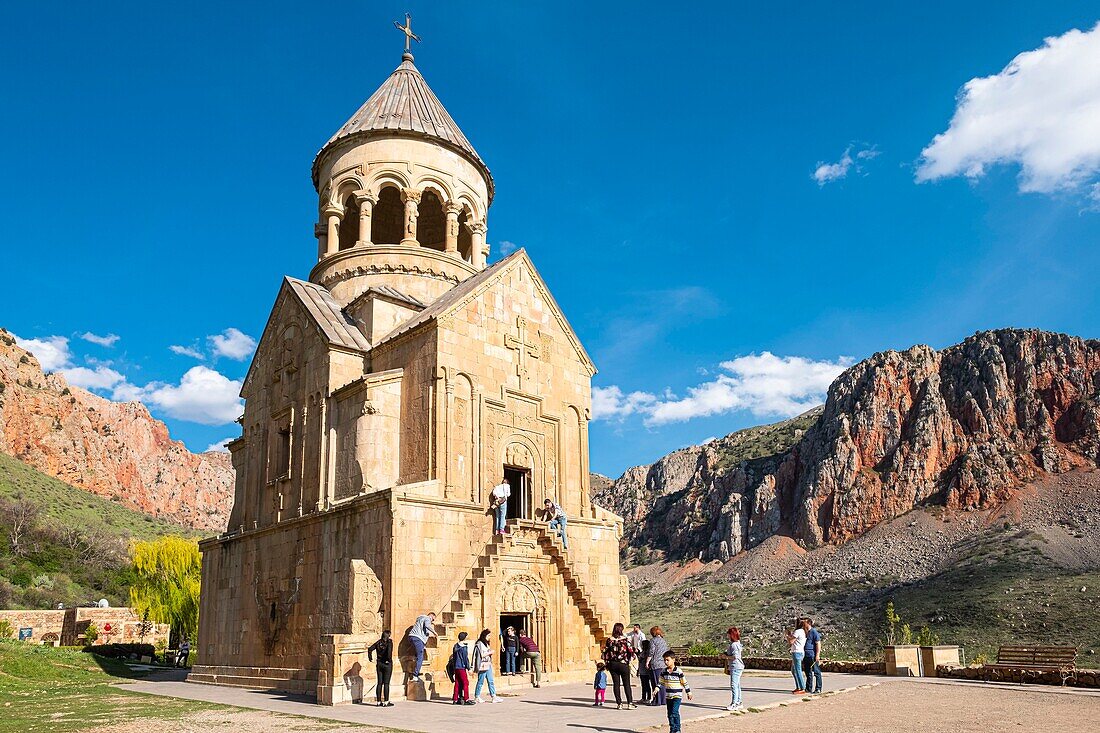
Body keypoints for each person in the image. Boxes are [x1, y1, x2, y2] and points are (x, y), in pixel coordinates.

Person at [601, 622, 636, 709]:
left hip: (613, 664)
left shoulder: (609, 640)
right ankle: (630, 703)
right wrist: (632, 657)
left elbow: (605, 652)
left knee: (616, 684)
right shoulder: (625, 640)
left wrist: (607, 663)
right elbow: (631, 650)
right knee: (626, 684)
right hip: (623, 663)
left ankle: (619, 703)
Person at [658, 651, 692, 733]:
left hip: (677, 696)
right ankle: (672, 729)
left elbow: (684, 682)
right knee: (669, 713)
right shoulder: (664, 671)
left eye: (667, 660)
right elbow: (661, 682)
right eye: (664, 660)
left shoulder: (678, 671)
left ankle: (677, 729)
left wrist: (688, 692)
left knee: (674, 712)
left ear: (673, 660)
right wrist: (657, 688)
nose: (666, 662)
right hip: (668, 696)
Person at [472, 628, 501, 703]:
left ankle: (493, 696)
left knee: (490, 680)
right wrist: (490, 652)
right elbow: (481, 654)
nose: (489, 637)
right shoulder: (479, 644)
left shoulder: (486, 643)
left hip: (488, 664)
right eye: (488, 635)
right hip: (482, 664)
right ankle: (477, 696)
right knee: (480, 681)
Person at [368, 630, 394, 707]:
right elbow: (389, 652)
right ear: (388, 635)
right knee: (386, 683)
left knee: (379, 683)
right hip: (386, 664)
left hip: (379, 663)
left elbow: (370, 649)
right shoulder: (389, 643)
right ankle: (386, 701)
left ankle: (378, 701)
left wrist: (370, 658)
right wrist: (388, 660)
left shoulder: (378, 642)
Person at [721, 626, 744, 711]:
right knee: (737, 685)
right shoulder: (736, 644)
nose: (727, 636)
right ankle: (739, 702)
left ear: (732, 635)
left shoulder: (734, 645)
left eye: (728, 634)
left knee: (734, 685)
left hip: (736, 667)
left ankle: (734, 704)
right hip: (737, 667)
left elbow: (734, 657)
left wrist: (726, 656)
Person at [408, 612, 436, 679]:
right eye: (433, 619)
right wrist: (434, 632)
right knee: (420, 657)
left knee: (417, 655)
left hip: (411, 637)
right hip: (418, 638)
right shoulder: (427, 618)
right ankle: (415, 675)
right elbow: (427, 625)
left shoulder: (420, 618)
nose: (432, 621)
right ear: (431, 616)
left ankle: (415, 670)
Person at [647, 625, 670, 706]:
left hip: (655, 664)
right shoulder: (664, 641)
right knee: (662, 683)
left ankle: (657, 701)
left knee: (656, 683)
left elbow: (651, 652)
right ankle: (664, 700)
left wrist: (647, 662)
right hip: (663, 664)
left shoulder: (653, 641)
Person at [802, 617, 823, 694]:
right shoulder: (804, 632)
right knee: (808, 672)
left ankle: (818, 688)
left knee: (816, 672)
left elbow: (818, 643)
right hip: (805, 655)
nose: (803, 624)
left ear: (809, 623)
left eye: (804, 622)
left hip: (812, 655)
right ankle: (808, 688)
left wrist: (817, 655)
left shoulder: (814, 632)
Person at [451, 631, 473, 705]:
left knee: (457, 683)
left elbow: (454, 658)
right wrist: (469, 668)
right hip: (461, 667)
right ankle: (466, 699)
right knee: (465, 683)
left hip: (456, 667)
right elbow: (465, 659)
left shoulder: (455, 646)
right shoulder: (464, 647)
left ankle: (455, 699)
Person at [787, 619, 807, 694]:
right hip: (800, 652)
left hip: (797, 652)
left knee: (798, 670)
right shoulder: (803, 631)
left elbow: (791, 642)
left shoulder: (797, 631)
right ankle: (798, 686)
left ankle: (802, 688)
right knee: (794, 670)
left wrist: (787, 635)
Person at [639, 637, 653, 703]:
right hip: (641, 671)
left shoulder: (648, 653)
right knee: (643, 685)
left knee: (647, 685)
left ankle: (649, 697)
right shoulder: (642, 652)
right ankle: (643, 697)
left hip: (646, 671)